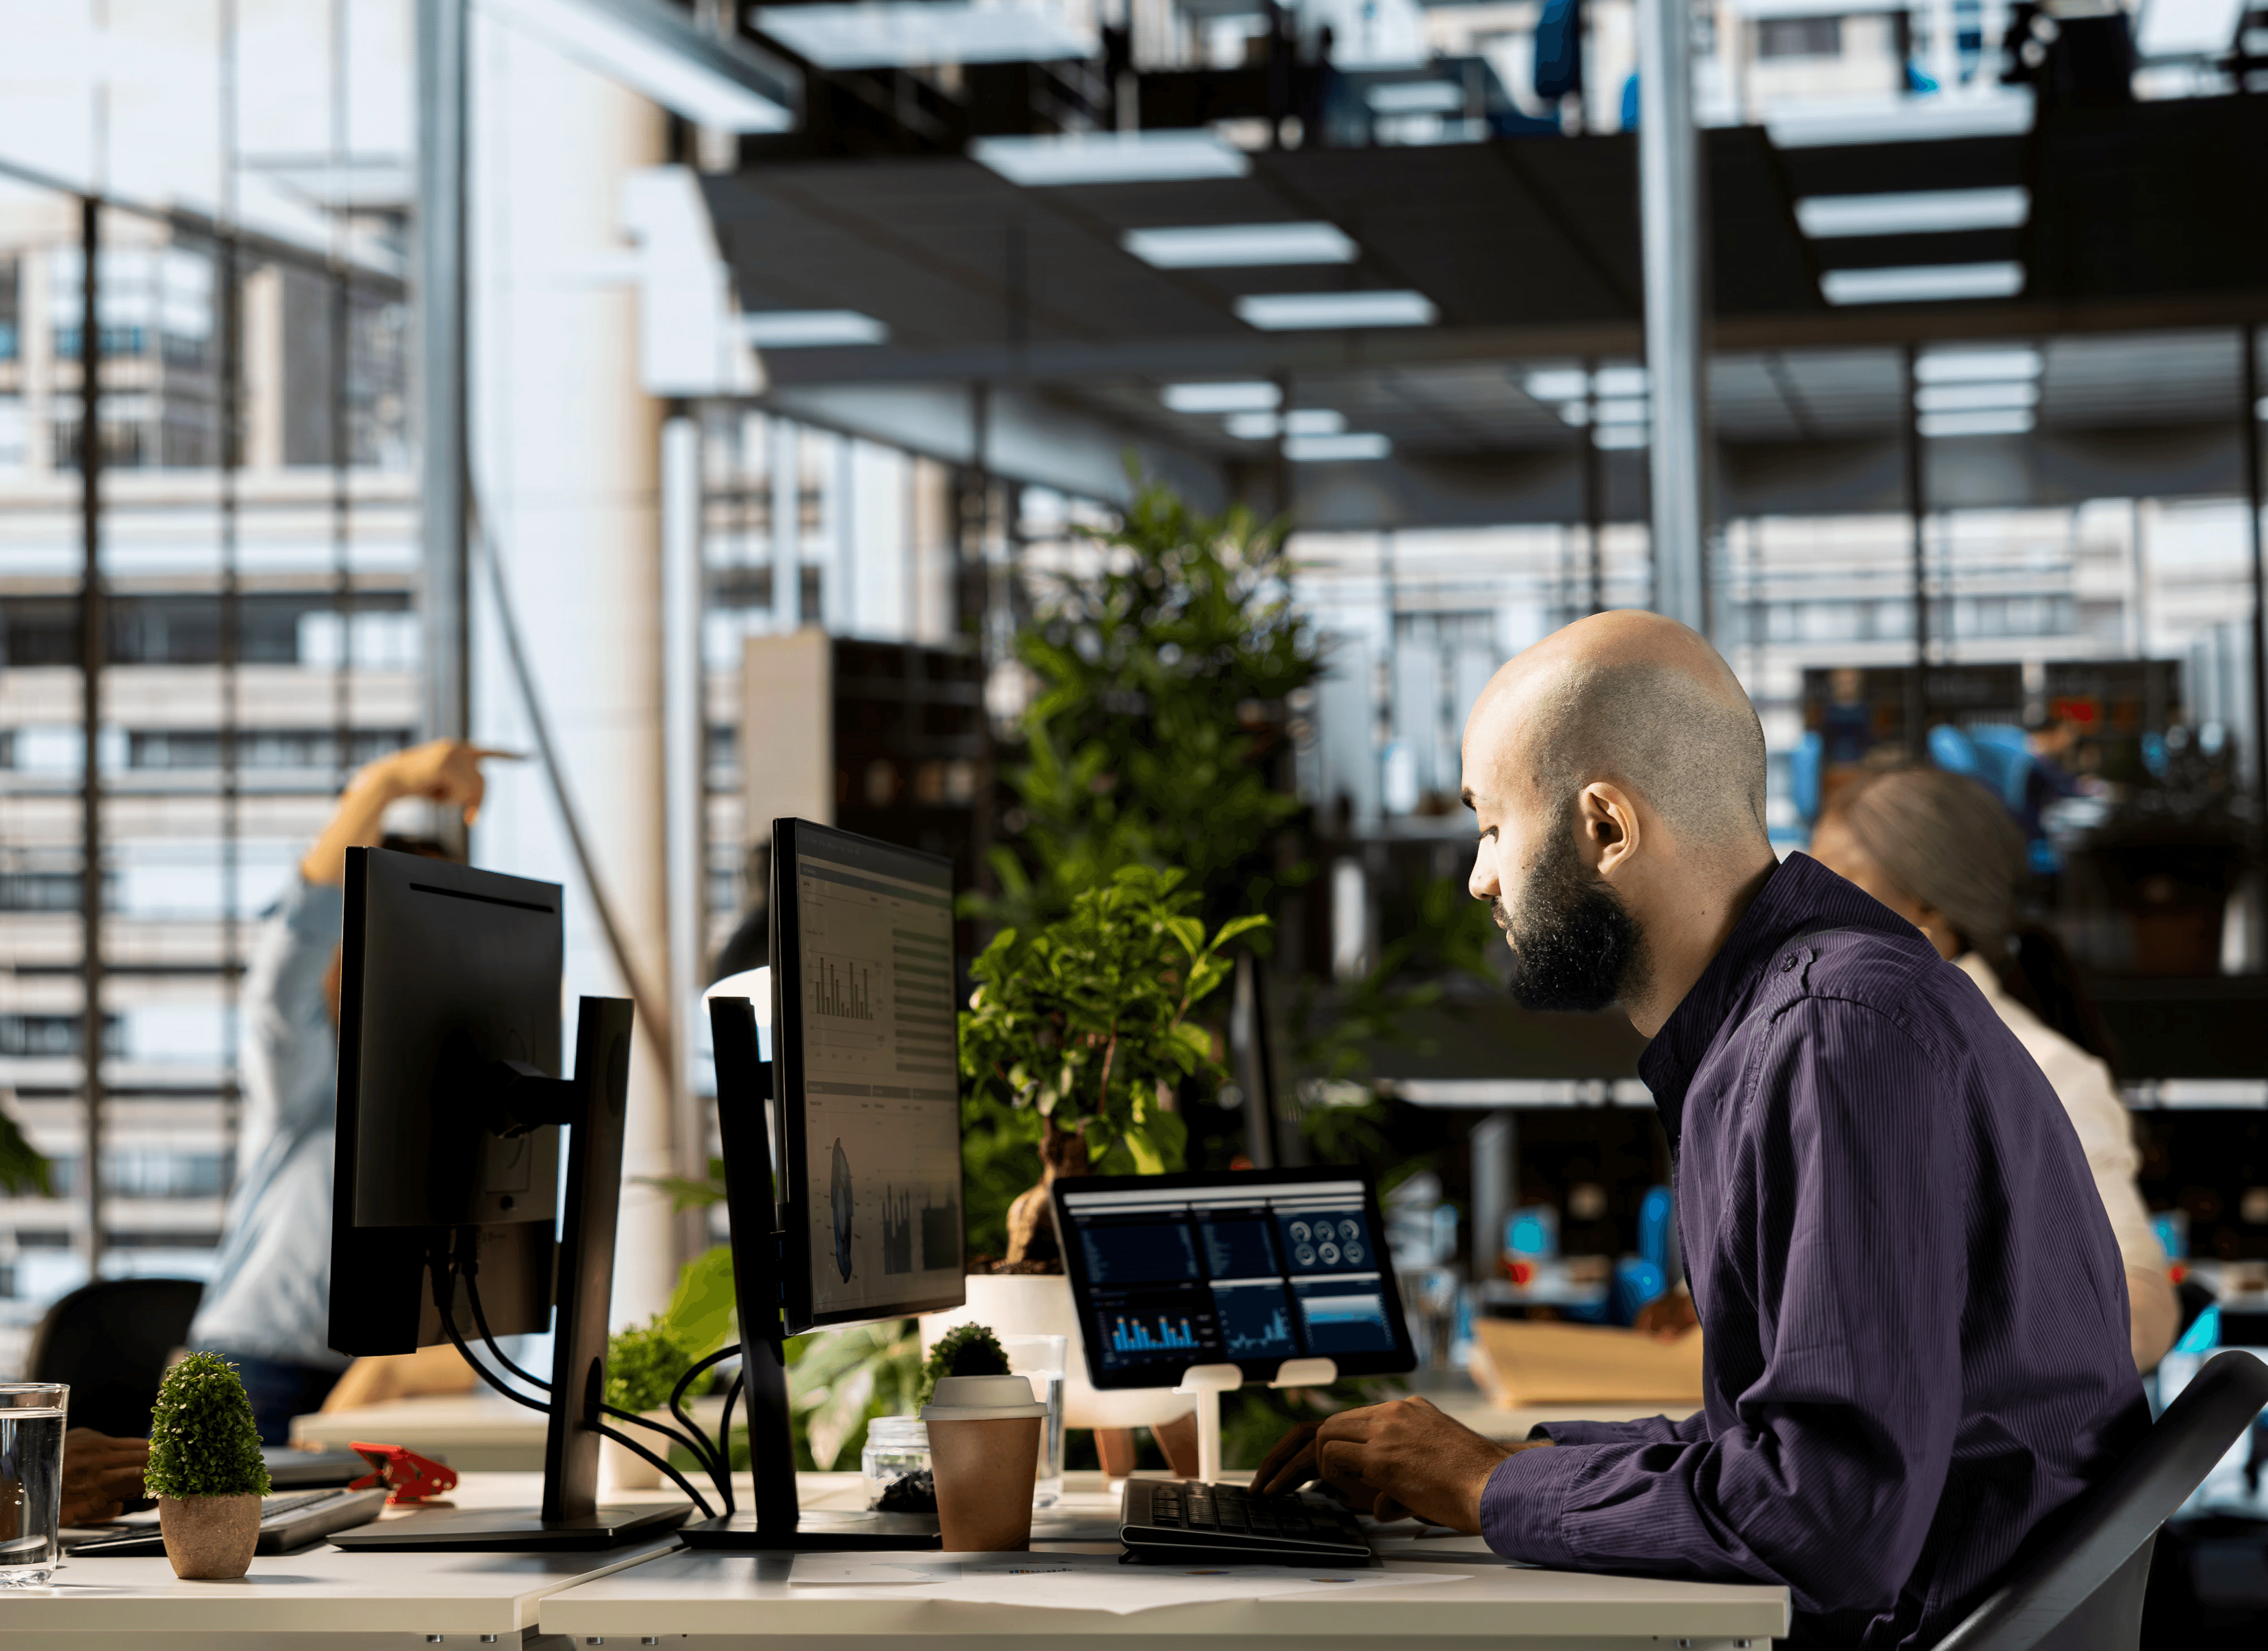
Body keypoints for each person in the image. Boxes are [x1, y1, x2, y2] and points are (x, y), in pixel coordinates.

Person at [1256, 612, 2146, 1651]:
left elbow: (1825, 1516)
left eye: (1493, 825)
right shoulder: (1790, 1023)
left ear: (1604, 828)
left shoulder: (1830, 1035)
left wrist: (1490, 1482)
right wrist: (1491, 1460)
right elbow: (1775, 1448)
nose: (1478, 878)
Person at [1806, 766, 2178, 1371]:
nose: (1811, 914)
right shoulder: (1829, 1051)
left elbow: (2140, 1307)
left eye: (1841, 882)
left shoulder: (2046, 1071)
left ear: (1927, 904)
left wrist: (1957, 1360)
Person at [188, 740, 503, 1443]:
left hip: (392, 1381)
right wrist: (386, 785)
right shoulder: (308, 1066)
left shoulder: (467, 1096)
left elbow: (480, 1305)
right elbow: (289, 956)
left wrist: (397, 1372)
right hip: (259, 1371)